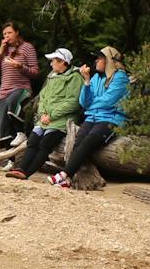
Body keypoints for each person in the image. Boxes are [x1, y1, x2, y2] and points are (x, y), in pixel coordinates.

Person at [50, 46, 128, 188]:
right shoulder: (96, 77)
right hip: (93, 117)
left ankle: (64, 174)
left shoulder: (120, 77)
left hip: (111, 119)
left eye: (99, 58)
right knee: (78, 141)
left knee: (89, 140)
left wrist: (92, 104)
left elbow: (108, 101)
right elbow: (83, 102)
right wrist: (86, 82)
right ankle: (68, 180)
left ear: (109, 60)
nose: (96, 61)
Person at [7, 48, 81, 180]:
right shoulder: (52, 76)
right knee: (33, 141)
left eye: (53, 60)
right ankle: (21, 169)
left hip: (61, 121)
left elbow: (73, 103)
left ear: (62, 62)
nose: (51, 63)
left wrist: (51, 116)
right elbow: (42, 98)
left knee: (45, 144)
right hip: (45, 119)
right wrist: (42, 114)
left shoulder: (75, 78)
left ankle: (27, 173)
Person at [0, 22, 40, 147]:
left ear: (17, 32)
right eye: (4, 34)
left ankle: (21, 133)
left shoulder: (27, 47)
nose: (7, 36)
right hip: (3, 92)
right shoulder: (4, 51)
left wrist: (20, 67)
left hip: (21, 88)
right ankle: (10, 160)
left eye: (9, 33)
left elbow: (35, 72)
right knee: (4, 128)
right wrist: (1, 50)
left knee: (12, 103)